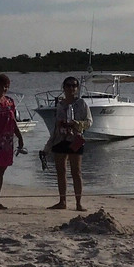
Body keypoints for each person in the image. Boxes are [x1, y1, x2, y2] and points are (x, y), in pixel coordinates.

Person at [49, 76, 93, 211]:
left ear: (77, 88)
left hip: (76, 139)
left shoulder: (81, 103)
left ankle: (78, 202)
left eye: (74, 86)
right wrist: (50, 142)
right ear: (64, 87)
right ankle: (62, 201)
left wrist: (77, 124)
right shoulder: (60, 104)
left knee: (76, 171)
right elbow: (56, 124)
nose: (71, 88)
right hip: (60, 139)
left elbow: (89, 122)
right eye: (68, 86)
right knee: (61, 171)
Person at [0, 74, 25, 209]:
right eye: (2, 86)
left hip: (6, 142)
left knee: (0, 171)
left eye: (7, 86)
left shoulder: (9, 101)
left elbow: (13, 120)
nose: (4, 89)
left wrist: (20, 137)